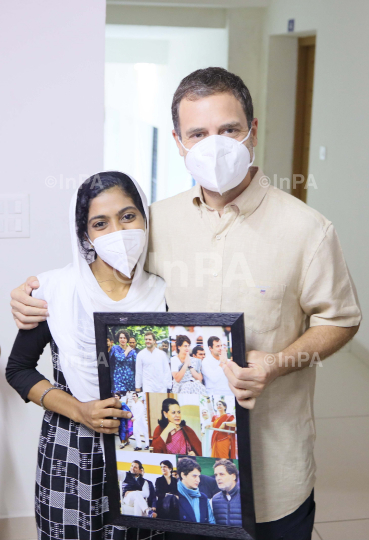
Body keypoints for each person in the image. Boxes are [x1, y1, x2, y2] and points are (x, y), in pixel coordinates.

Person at [11, 67, 362, 540]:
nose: (214, 145)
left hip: (273, 468)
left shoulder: (307, 229)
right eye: (197, 133)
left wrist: (277, 363)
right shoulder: (155, 224)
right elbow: (100, 280)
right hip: (176, 468)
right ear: (178, 141)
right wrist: (32, 298)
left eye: (229, 130)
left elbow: (340, 320)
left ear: (252, 132)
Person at [6, 171, 166, 540]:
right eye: (100, 223)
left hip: (143, 451)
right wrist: (79, 409)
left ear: (145, 218)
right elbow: (19, 370)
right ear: (85, 235)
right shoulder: (55, 291)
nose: (118, 231)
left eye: (128, 216)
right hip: (70, 451)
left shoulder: (165, 293)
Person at [176, 458, 215, 524]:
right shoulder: (174, 497)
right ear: (183, 475)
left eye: (198, 476)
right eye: (194, 476)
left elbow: (211, 523)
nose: (198, 480)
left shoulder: (203, 498)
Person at [212, 459, 242, 527]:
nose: (218, 478)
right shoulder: (215, 499)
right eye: (216, 475)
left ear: (233, 476)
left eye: (221, 474)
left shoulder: (245, 496)